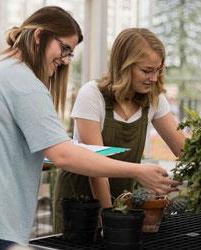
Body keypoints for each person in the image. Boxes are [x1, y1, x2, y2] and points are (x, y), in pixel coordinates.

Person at [0, 7, 178, 249]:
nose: (65, 60)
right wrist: (137, 171)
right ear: (39, 36)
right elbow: (63, 155)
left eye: (70, 53)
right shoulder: (23, 82)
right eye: (64, 49)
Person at [53, 28, 186, 233]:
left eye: (158, 70)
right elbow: (96, 170)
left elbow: (184, 149)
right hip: (80, 204)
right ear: (124, 66)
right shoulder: (92, 95)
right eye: (146, 70)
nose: (153, 78)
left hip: (121, 204)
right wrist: (109, 218)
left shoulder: (154, 99)